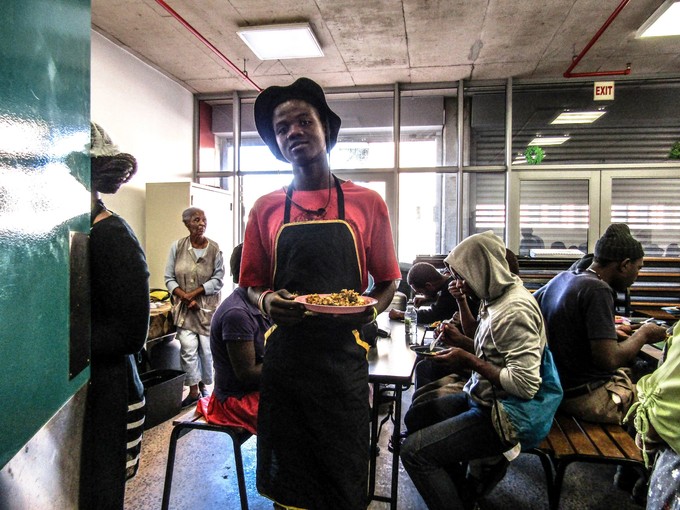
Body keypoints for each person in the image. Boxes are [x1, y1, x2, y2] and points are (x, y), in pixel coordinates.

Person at [240, 77, 401, 509]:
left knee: (341, 472)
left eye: (303, 121)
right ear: (276, 143)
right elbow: (252, 283)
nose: (293, 131)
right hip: (286, 363)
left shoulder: (367, 203)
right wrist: (266, 301)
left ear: (325, 128)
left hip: (343, 362)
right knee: (290, 479)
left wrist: (368, 312)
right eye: (282, 127)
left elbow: (388, 280)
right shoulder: (264, 208)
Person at [400, 231, 546, 510]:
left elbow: (526, 385)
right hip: (479, 396)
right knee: (417, 416)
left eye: (462, 275)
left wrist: (468, 360)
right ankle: (461, 493)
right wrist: (461, 309)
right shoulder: (494, 298)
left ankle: (458, 497)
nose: (458, 283)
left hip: (504, 414)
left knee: (414, 453)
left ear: (482, 269)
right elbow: (479, 339)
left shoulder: (515, 310)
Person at [533, 223, 668, 425]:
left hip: (560, 388)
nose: (637, 276)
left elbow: (563, 324)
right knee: (666, 403)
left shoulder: (564, 278)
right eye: (638, 268)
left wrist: (607, 331)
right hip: (587, 398)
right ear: (624, 265)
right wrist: (644, 334)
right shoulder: (598, 289)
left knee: (642, 374)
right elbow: (609, 360)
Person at [80, 122, 150, 509]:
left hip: (110, 394)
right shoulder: (78, 232)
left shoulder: (112, 236)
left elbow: (128, 334)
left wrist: (55, 344)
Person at [195, 244, 272, 434]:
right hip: (234, 400)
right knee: (297, 415)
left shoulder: (261, 305)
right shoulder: (237, 314)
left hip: (254, 391)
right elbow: (246, 375)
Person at [165, 207, 224, 407]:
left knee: (207, 351)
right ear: (187, 224)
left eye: (203, 220)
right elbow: (169, 279)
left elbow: (218, 279)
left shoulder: (214, 249)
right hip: (184, 308)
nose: (201, 224)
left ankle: (207, 387)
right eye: (196, 220)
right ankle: (193, 390)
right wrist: (185, 297)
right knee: (188, 350)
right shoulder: (177, 247)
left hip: (206, 309)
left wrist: (194, 293)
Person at [388, 262, 461, 324]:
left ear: (428, 286)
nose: (422, 295)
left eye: (421, 292)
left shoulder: (450, 289)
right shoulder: (447, 275)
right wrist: (428, 298)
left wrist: (401, 314)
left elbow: (432, 315)